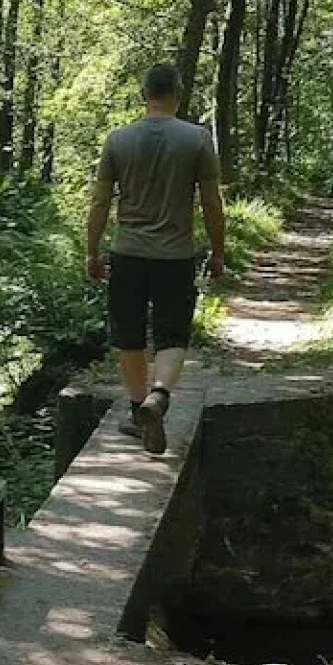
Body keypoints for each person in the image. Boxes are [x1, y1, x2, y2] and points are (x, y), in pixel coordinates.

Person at [85, 63, 227, 455]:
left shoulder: (118, 139)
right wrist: (218, 249)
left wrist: (91, 250)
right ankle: (159, 397)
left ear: (144, 94)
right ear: (177, 94)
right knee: (172, 334)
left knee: (129, 335)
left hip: (127, 252)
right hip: (176, 256)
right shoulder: (197, 139)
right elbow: (212, 202)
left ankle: (136, 409)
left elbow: (100, 202)